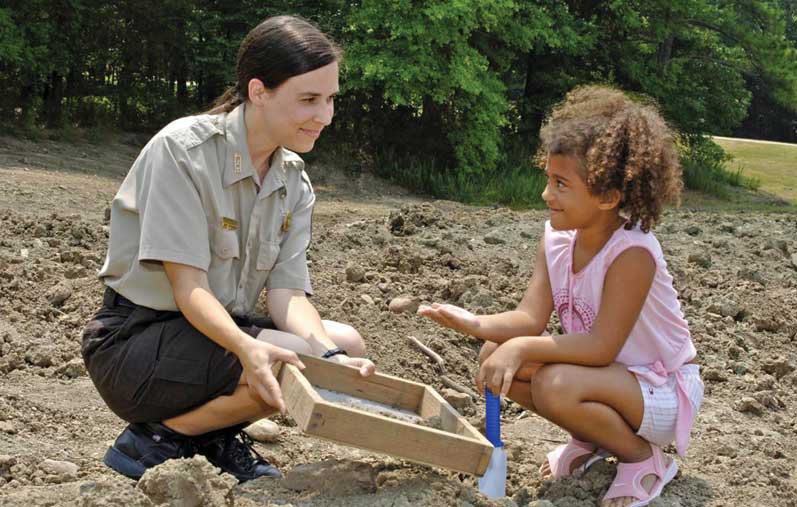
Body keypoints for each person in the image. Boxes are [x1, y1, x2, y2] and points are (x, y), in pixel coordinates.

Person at [81, 15, 375, 483]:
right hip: (134, 343)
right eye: (308, 100)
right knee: (286, 360)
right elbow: (188, 289)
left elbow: (288, 295)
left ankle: (205, 438)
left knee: (340, 345)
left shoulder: (292, 179)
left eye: (331, 99)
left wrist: (333, 360)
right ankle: (156, 441)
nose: (325, 116)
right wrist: (246, 347)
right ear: (259, 91)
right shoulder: (182, 150)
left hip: (210, 337)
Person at [419, 85, 704, 507]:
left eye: (560, 184)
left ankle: (642, 457)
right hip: (608, 380)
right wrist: (476, 324)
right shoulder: (556, 237)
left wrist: (522, 349)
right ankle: (593, 439)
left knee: (553, 383)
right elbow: (530, 317)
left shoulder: (632, 253)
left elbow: (601, 345)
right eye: (547, 179)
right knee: (494, 357)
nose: (545, 195)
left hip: (660, 392)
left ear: (608, 197)